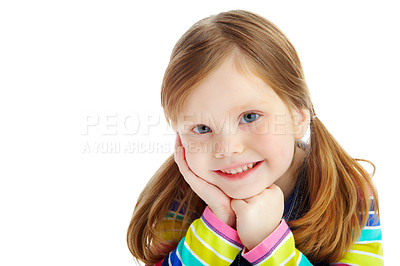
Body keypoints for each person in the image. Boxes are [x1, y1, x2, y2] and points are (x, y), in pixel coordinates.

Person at [127, 9, 382, 265]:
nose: (228, 148)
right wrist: (219, 223)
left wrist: (267, 241)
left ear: (298, 117)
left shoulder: (348, 193)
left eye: (250, 117)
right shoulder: (178, 197)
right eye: (202, 129)